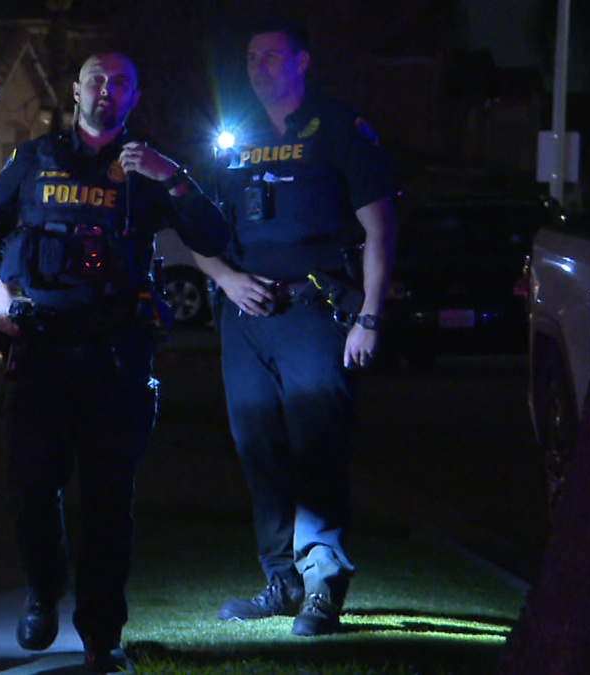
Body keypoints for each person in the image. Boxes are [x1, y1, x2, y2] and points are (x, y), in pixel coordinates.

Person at [0, 51, 229, 673]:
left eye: (121, 84)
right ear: (77, 88)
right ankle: (42, 590)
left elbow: (214, 238)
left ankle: (100, 635)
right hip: (42, 350)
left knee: (110, 499)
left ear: (135, 97)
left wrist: (173, 176)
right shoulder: (34, 158)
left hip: (117, 355)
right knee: (32, 486)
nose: (106, 91)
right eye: (96, 80)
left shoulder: (149, 165)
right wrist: (2, 293)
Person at [192, 18, 398, 636]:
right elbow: (196, 228)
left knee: (318, 446)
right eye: (252, 56)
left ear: (302, 62)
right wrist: (227, 281)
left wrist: (370, 316)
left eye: (273, 56)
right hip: (247, 319)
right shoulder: (235, 137)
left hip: (316, 310)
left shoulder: (338, 126)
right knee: (258, 447)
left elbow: (381, 229)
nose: (259, 66)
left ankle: (322, 588)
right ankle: (279, 581)